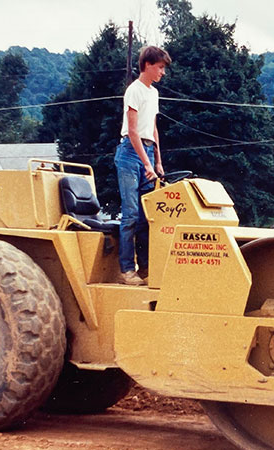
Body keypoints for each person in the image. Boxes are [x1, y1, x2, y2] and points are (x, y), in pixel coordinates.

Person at [114, 46, 171, 285]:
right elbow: (134, 131)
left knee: (147, 216)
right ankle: (127, 269)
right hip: (130, 153)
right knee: (130, 214)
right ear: (147, 64)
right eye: (160, 67)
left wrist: (157, 160)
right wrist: (146, 163)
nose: (162, 72)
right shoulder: (134, 91)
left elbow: (152, 128)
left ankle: (146, 267)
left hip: (147, 150)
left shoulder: (153, 93)